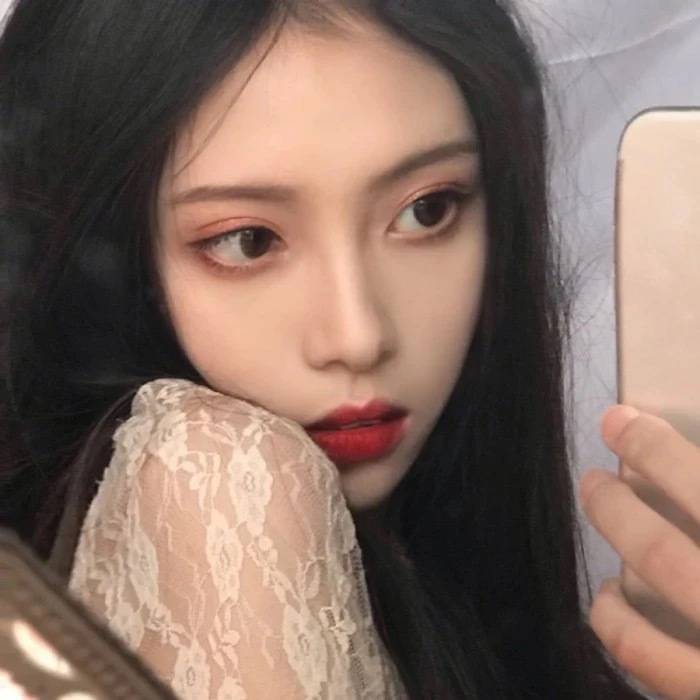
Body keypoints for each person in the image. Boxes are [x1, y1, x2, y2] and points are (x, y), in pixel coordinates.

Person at [0, 0, 697, 697]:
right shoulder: (215, 475)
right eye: (248, 241)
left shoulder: (444, 588)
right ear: (102, 265)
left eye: (427, 210)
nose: (359, 336)